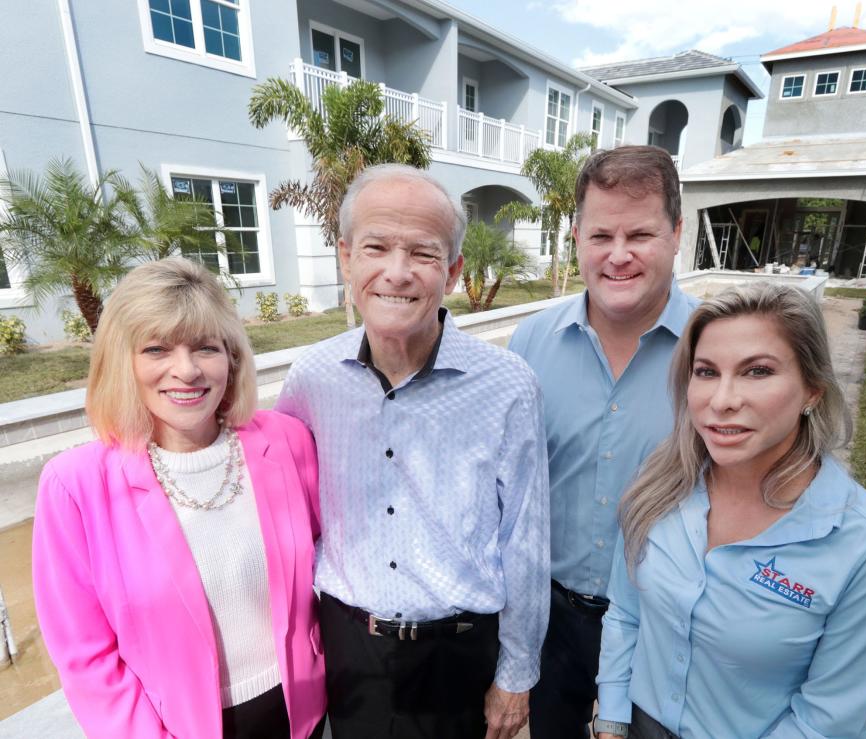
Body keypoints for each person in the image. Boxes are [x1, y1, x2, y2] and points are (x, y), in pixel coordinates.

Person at [275, 164, 549, 739]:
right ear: (347, 258)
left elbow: (524, 539)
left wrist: (517, 673)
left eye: (423, 254)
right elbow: (287, 518)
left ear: (451, 271)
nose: (396, 274)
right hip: (350, 652)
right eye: (376, 247)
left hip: (459, 656)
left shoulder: (506, 384)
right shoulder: (311, 380)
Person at [595, 283, 866, 739]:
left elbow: (827, 721)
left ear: (812, 390)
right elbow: (626, 614)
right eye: (706, 372)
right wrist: (610, 720)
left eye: (757, 371)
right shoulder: (660, 484)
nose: (722, 399)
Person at [32, 258, 326, 739]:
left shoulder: (287, 441)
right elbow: (85, 657)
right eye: (156, 349)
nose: (186, 371)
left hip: (301, 715)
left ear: (231, 359)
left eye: (206, 348)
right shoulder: (74, 486)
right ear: (122, 362)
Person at [508, 145, 698, 738]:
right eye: (600, 236)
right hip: (550, 620)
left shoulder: (716, 353)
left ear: (675, 233)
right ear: (576, 237)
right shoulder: (530, 345)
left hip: (665, 625)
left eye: (640, 234)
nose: (619, 256)